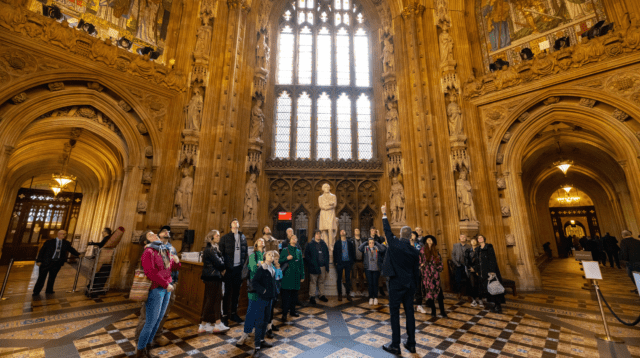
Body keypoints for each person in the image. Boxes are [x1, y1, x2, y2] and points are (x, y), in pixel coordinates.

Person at [380, 203, 419, 355]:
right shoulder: (414, 251)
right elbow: (416, 272)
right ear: (410, 236)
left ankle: (395, 345)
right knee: (410, 314)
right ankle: (412, 343)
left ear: (401, 234)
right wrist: (415, 287)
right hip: (410, 285)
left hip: (396, 284)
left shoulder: (395, 244)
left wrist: (384, 213)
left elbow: (387, 231)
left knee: (394, 314)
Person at [134, 226, 181, 347]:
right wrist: (166, 284)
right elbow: (151, 273)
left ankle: (149, 344)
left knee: (160, 318)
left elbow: (171, 268)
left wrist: (176, 262)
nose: (154, 235)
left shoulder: (163, 250)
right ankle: (140, 346)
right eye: (150, 235)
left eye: (154, 233)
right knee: (149, 320)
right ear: (146, 241)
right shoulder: (148, 251)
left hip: (167, 287)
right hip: (156, 288)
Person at [34, 229, 82, 296]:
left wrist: (78, 254)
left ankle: (49, 290)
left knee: (52, 277)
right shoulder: (49, 242)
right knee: (41, 277)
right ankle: (36, 291)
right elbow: (42, 251)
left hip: (57, 263)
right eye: (63, 234)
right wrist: (39, 260)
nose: (64, 235)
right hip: (46, 262)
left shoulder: (66, 243)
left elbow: (71, 249)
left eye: (65, 234)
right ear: (59, 234)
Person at [219, 219, 248, 327]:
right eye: (234, 222)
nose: (236, 223)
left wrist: (242, 266)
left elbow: (245, 253)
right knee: (227, 293)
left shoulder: (243, 237)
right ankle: (225, 316)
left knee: (236, 292)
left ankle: (233, 314)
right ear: (230, 225)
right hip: (228, 269)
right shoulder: (225, 238)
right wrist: (223, 268)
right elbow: (220, 254)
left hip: (238, 269)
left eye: (237, 222)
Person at [237, 238, 266, 346]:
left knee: (260, 312)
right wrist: (263, 264)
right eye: (259, 240)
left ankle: (257, 331)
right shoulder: (252, 255)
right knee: (250, 311)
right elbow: (254, 268)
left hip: (264, 288)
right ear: (256, 243)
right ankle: (245, 333)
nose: (261, 241)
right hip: (254, 287)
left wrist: (263, 264)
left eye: (263, 240)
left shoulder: (265, 255)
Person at [250, 251, 278, 357]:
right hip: (262, 299)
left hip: (270, 299)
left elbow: (273, 283)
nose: (271, 256)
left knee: (266, 320)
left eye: (273, 255)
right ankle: (257, 347)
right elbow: (255, 282)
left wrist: (274, 293)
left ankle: (262, 340)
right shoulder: (262, 269)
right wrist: (263, 291)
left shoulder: (272, 269)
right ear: (265, 257)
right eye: (269, 255)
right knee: (260, 322)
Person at [199, 230, 228, 333]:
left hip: (215, 277)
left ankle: (217, 324)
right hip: (213, 277)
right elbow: (220, 264)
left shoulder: (214, 248)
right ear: (211, 237)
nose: (219, 237)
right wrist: (223, 267)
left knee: (216, 299)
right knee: (211, 300)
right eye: (217, 236)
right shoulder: (210, 249)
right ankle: (202, 325)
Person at [474, 235, 505, 313]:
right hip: (482, 273)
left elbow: (492, 259)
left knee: (494, 287)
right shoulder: (477, 249)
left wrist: (492, 271)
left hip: (490, 272)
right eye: (478, 238)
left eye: (481, 237)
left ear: (484, 239)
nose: (480, 239)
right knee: (489, 289)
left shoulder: (489, 247)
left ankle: (498, 305)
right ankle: (493, 304)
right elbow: (477, 262)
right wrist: (477, 270)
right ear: (477, 240)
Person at [279, 234, 304, 322]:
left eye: (295, 238)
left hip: (296, 277)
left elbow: (301, 265)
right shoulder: (285, 250)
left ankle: (293, 311)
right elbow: (279, 261)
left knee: (294, 296)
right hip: (287, 277)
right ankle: (284, 314)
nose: (294, 239)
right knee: (286, 297)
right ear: (289, 240)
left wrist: (302, 275)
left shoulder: (298, 251)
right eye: (292, 238)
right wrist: (286, 258)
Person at [420, 236, 447, 318]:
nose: (429, 240)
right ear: (425, 241)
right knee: (429, 293)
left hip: (435, 276)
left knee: (439, 294)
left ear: (433, 242)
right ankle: (433, 311)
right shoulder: (422, 251)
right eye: (427, 239)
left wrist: (437, 268)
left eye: (431, 239)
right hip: (427, 276)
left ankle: (442, 311)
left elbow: (440, 263)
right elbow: (420, 262)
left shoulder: (436, 251)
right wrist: (422, 266)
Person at [359, 237, 386, 305]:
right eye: (370, 243)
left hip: (376, 269)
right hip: (368, 269)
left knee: (375, 283)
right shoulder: (366, 248)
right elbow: (359, 248)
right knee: (370, 284)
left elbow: (383, 249)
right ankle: (371, 298)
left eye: (372, 243)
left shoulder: (377, 248)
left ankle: (375, 298)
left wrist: (376, 242)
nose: (371, 244)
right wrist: (366, 241)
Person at [305, 230, 329, 305]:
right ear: (314, 235)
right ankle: (312, 296)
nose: (318, 235)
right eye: (317, 234)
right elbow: (307, 256)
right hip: (314, 266)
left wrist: (326, 265)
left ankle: (321, 295)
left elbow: (327, 255)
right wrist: (312, 262)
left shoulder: (324, 244)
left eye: (320, 234)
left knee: (321, 281)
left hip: (322, 266)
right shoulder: (310, 244)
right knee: (313, 282)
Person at [334, 229, 355, 302]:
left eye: (344, 231)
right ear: (339, 233)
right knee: (339, 279)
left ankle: (348, 294)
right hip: (340, 263)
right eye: (341, 231)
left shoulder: (349, 243)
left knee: (348, 279)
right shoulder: (337, 243)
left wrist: (351, 262)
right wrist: (335, 262)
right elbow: (334, 253)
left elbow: (353, 252)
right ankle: (339, 294)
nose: (342, 232)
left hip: (348, 263)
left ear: (346, 233)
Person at [265, 251, 283, 338]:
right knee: (269, 310)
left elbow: (280, 277)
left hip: (276, 290)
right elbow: (275, 277)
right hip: (270, 291)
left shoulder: (275, 267)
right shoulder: (270, 267)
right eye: (275, 259)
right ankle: (268, 328)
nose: (277, 260)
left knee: (271, 310)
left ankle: (271, 324)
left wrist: (278, 268)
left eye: (277, 259)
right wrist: (277, 268)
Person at [410, 231, 426, 313]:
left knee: (418, 288)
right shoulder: (405, 244)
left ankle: (419, 305)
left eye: (413, 234)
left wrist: (422, 263)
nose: (411, 236)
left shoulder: (418, 245)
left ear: (415, 236)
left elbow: (423, 255)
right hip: (408, 270)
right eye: (410, 235)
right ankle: (410, 305)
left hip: (417, 269)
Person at [465, 237, 483, 307]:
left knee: (479, 284)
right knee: (472, 285)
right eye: (472, 240)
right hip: (470, 270)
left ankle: (480, 299)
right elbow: (466, 261)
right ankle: (474, 300)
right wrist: (470, 268)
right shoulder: (467, 251)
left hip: (479, 270)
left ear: (477, 242)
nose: (473, 241)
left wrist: (475, 268)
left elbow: (481, 261)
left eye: (474, 240)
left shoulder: (480, 250)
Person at [452, 234, 471, 300]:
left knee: (468, 280)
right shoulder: (455, 245)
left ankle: (469, 295)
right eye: (461, 237)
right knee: (458, 280)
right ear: (459, 238)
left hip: (466, 265)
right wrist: (456, 263)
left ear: (466, 239)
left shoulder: (469, 246)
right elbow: (453, 255)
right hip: (458, 265)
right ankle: (459, 293)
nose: (463, 238)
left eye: (464, 237)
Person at [351, 228, 366, 297]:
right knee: (354, 276)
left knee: (361, 276)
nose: (357, 231)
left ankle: (361, 290)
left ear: (360, 232)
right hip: (354, 261)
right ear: (354, 232)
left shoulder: (363, 240)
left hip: (361, 261)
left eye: (358, 230)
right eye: (355, 230)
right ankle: (354, 290)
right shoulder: (351, 240)